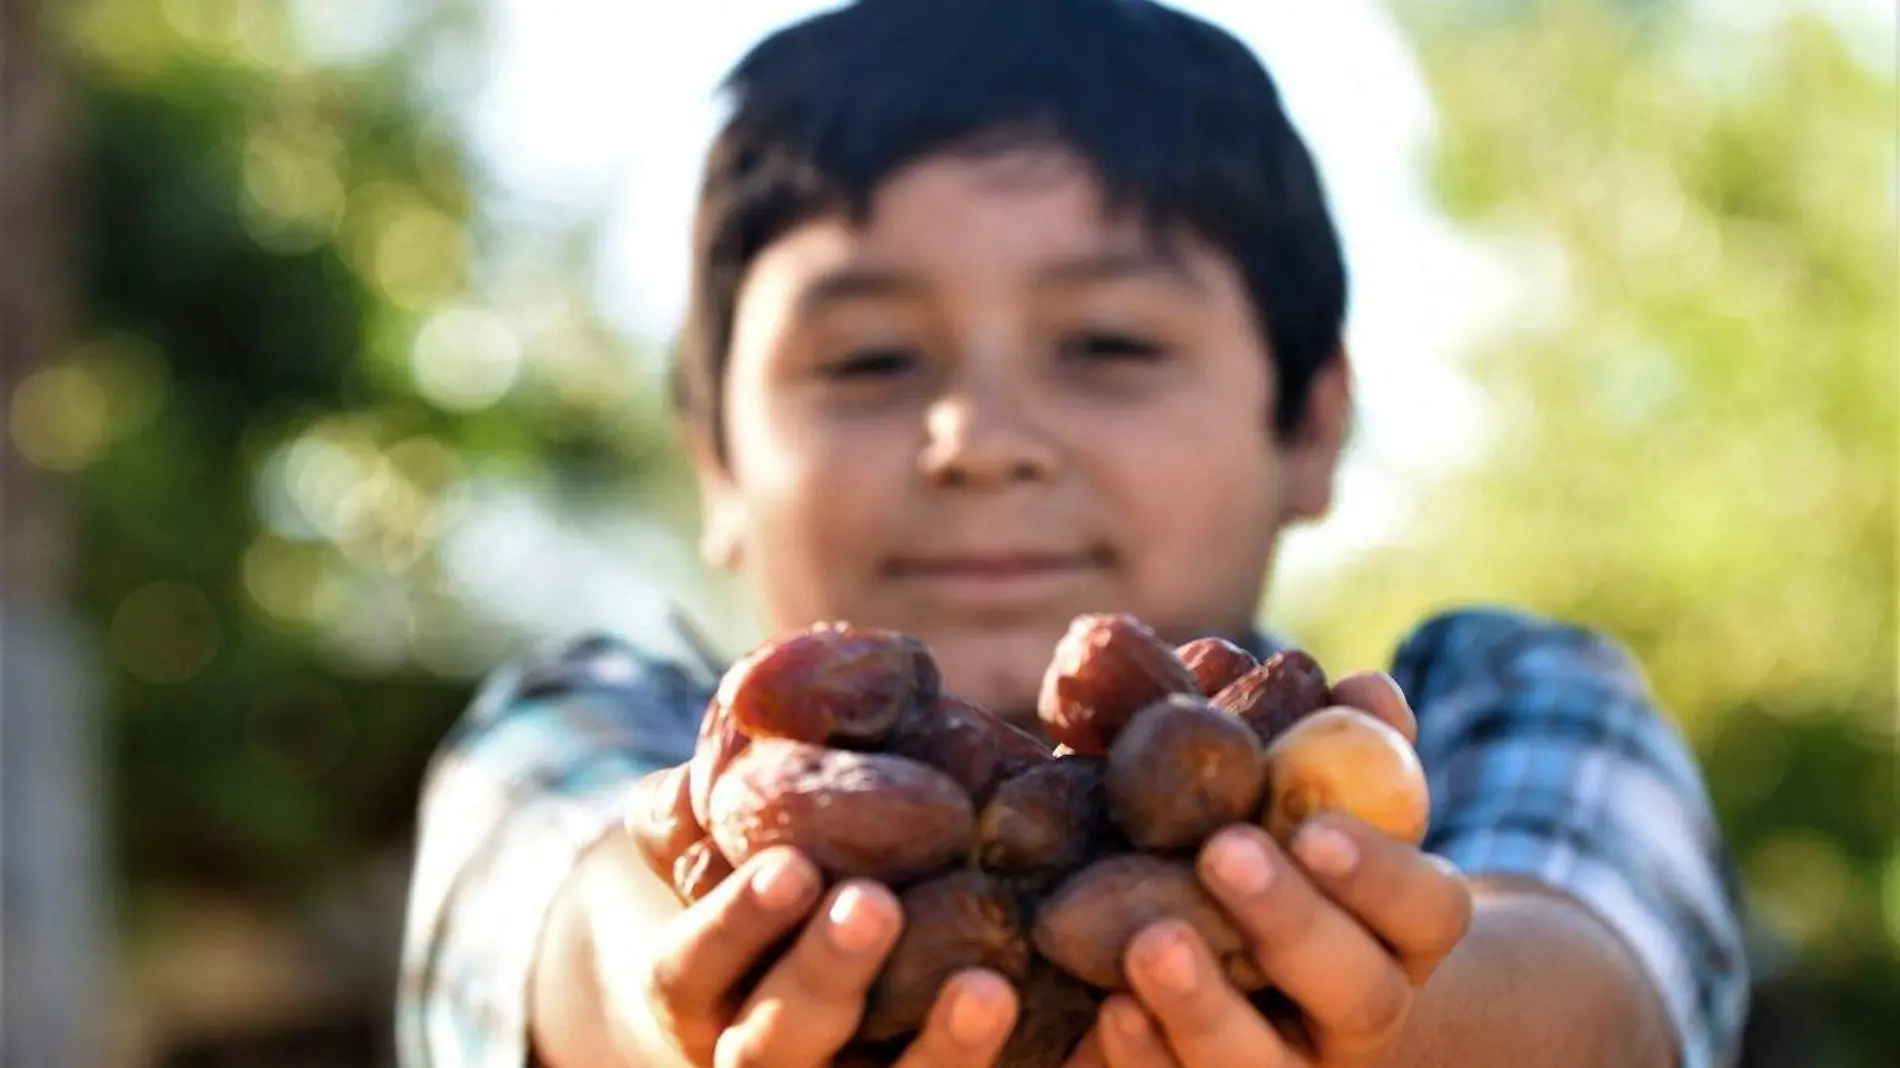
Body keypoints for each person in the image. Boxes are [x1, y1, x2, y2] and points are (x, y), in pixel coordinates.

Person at [395, 1, 1750, 1066]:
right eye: (867, 359)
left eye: (1107, 343)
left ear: (1312, 426)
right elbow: (567, 927)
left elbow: (1592, 991)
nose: (979, 439)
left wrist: (1393, 1027)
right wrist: (670, 1009)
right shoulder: (594, 729)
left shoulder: (1486, 715)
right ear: (718, 464)